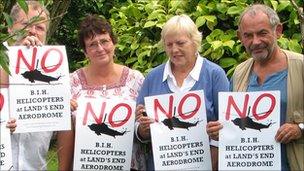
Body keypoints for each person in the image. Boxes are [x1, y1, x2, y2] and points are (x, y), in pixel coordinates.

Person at [206, 4, 304, 171]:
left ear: (278, 31)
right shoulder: (239, 73)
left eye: (262, 33)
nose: (256, 41)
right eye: (248, 35)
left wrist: (300, 129)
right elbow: (233, 122)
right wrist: (220, 130)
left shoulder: (300, 66)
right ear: (240, 37)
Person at [135, 14, 229, 170]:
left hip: (206, 165)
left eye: (180, 43)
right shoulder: (153, 77)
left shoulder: (215, 74)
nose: (174, 50)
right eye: (169, 44)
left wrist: (211, 163)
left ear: (195, 42)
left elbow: (227, 126)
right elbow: (138, 125)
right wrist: (142, 129)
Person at [1, 1, 74, 170]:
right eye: (26, 24)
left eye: (39, 28)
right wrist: (17, 55)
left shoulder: (55, 66)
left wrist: (62, 108)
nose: (32, 31)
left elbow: (60, 129)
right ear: (10, 27)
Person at [70, 14, 146, 170]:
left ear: (114, 43)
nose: (100, 48)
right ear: (85, 51)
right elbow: (64, 130)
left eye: (104, 41)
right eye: (92, 44)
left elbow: (143, 125)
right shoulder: (71, 83)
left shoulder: (136, 79)